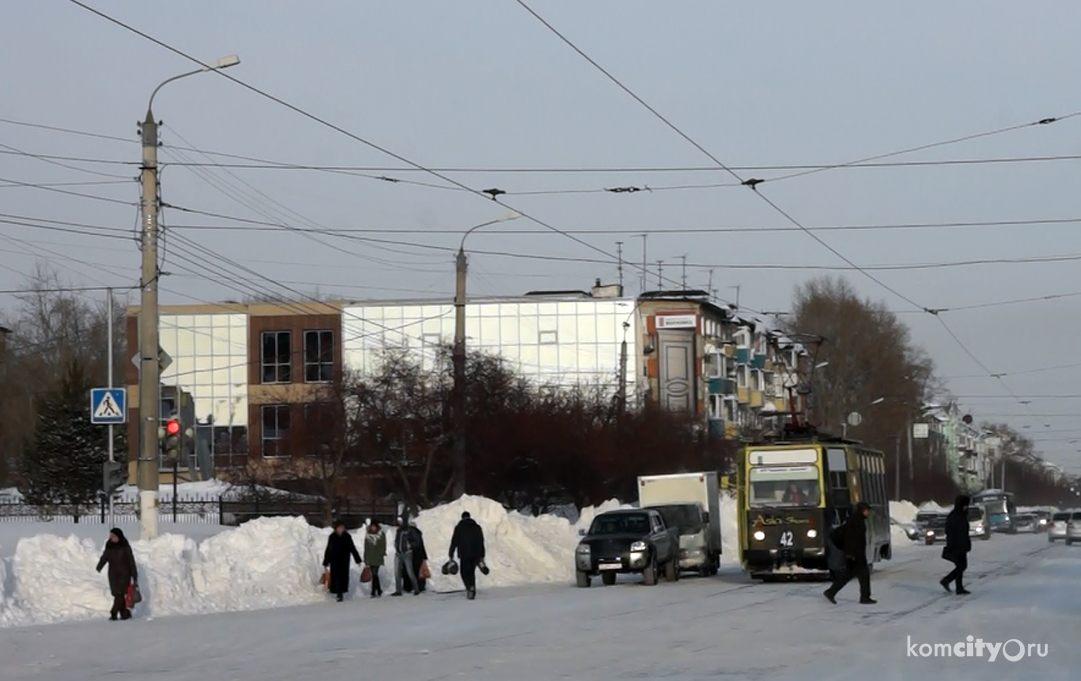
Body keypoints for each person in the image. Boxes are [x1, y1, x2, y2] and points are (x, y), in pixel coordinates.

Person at [823, 502, 876, 605]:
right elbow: (851, 540)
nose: (867, 512)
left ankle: (831, 592)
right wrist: (850, 554)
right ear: (862, 510)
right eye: (866, 510)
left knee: (847, 575)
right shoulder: (856, 522)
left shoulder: (856, 520)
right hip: (855, 555)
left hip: (855, 554)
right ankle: (864, 597)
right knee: (863, 575)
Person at [95, 528, 138, 621]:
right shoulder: (109, 545)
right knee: (118, 595)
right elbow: (105, 557)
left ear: (119, 536)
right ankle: (124, 613)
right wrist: (99, 566)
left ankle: (113, 613)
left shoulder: (125, 547)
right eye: (111, 536)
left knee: (119, 594)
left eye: (113, 536)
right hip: (113, 574)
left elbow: (131, 561)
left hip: (124, 575)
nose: (111, 538)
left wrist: (134, 575)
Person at [449, 511, 486, 600]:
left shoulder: (459, 528)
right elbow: (481, 541)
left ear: (462, 518)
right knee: (471, 572)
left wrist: (451, 553)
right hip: (475, 554)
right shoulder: (477, 527)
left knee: (464, 572)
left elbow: (454, 541)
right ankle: (472, 586)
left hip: (464, 554)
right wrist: (482, 555)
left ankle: (469, 587)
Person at [940, 495, 972, 595]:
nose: (966, 507)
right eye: (965, 505)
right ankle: (949, 582)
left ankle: (956, 585)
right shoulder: (955, 516)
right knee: (961, 566)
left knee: (961, 566)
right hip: (956, 545)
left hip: (961, 545)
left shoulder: (961, 515)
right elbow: (950, 532)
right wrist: (952, 544)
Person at [323, 520, 362, 602]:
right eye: (339, 528)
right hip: (335, 560)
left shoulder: (347, 537)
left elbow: (352, 548)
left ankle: (340, 593)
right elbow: (328, 550)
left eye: (342, 528)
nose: (341, 529)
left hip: (344, 560)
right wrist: (326, 562)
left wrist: (357, 559)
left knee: (343, 577)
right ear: (336, 528)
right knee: (336, 577)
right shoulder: (332, 537)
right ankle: (338, 592)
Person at [393, 513, 423, 596]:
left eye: (400, 521)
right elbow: (397, 539)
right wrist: (395, 544)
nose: (399, 522)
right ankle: (398, 590)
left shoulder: (410, 530)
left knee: (410, 572)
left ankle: (416, 588)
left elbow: (417, 541)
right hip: (398, 553)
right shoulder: (399, 530)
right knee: (397, 572)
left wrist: (410, 545)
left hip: (407, 553)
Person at [363, 520, 387, 598]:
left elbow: (383, 545)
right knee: (374, 575)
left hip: (378, 557)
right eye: (372, 526)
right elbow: (366, 548)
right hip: (370, 558)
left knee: (374, 574)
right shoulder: (367, 536)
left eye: (374, 526)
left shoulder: (381, 535)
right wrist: (366, 559)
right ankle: (378, 590)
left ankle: (373, 592)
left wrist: (382, 553)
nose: (373, 528)